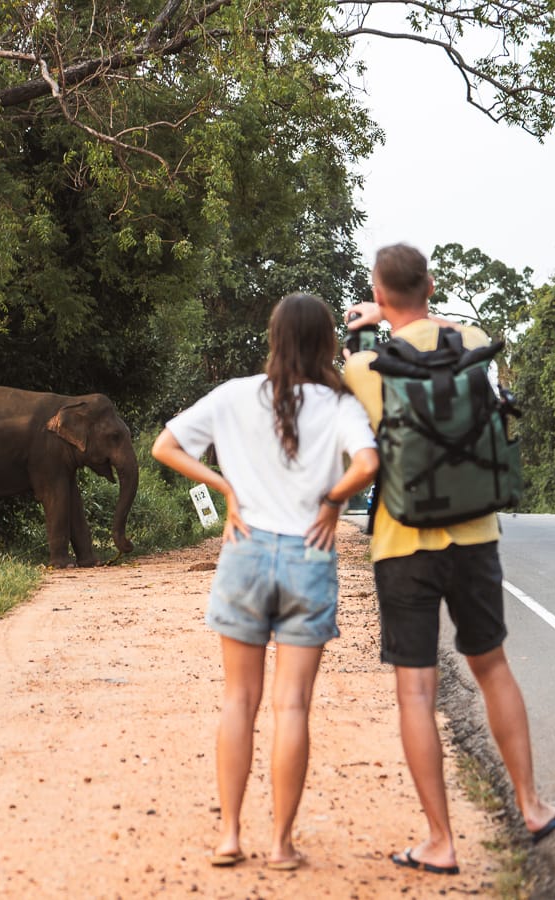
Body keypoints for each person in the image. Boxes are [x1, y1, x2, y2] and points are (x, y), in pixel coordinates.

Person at [343, 243, 555, 876]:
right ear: (433, 284)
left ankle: (440, 842)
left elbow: (355, 409)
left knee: (416, 691)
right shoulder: (472, 339)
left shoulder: (366, 366)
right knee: (492, 665)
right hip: (474, 534)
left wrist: (364, 325)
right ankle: (531, 805)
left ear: (380, 295)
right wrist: (405, 311)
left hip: (401, 543)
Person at [152, 293, 379, 871]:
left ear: (274, 339)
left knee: (238, 700)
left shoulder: (233, 396)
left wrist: (228, 489)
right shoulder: (338, 404)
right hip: (309, 553)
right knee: (293, 705)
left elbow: (165, 446)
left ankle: (229, 836)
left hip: (246, 553)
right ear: (328, 343)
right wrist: (332, 500)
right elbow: (368, 464)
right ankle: (280, 844)